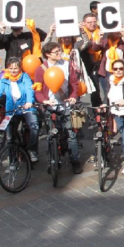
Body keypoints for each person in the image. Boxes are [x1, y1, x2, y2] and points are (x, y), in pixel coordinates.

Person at [34, 42, 83, 174]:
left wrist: (73, 96)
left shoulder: (66, 65)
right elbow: (37, 90)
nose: (59, 53)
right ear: (47, 55)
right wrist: (44, 100)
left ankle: (75, 161)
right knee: (51, 135)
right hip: (50, 106)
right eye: (56, 52)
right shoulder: (40, 69)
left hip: (65, 104)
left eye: (59, 51)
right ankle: (53, 161)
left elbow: (74, 83)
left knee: (71, 135)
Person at [0, 57, 41, 162]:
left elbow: (29, 89)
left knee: (34, 127)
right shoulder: (5, 79)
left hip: (26, 108)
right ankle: (13, 161)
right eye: (11, 68)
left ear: (20, 68)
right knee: (10, 137)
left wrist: (29, 101)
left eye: (15, 68)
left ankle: (32, 150)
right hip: (11, 110)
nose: (13, 71)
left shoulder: (25, 77)